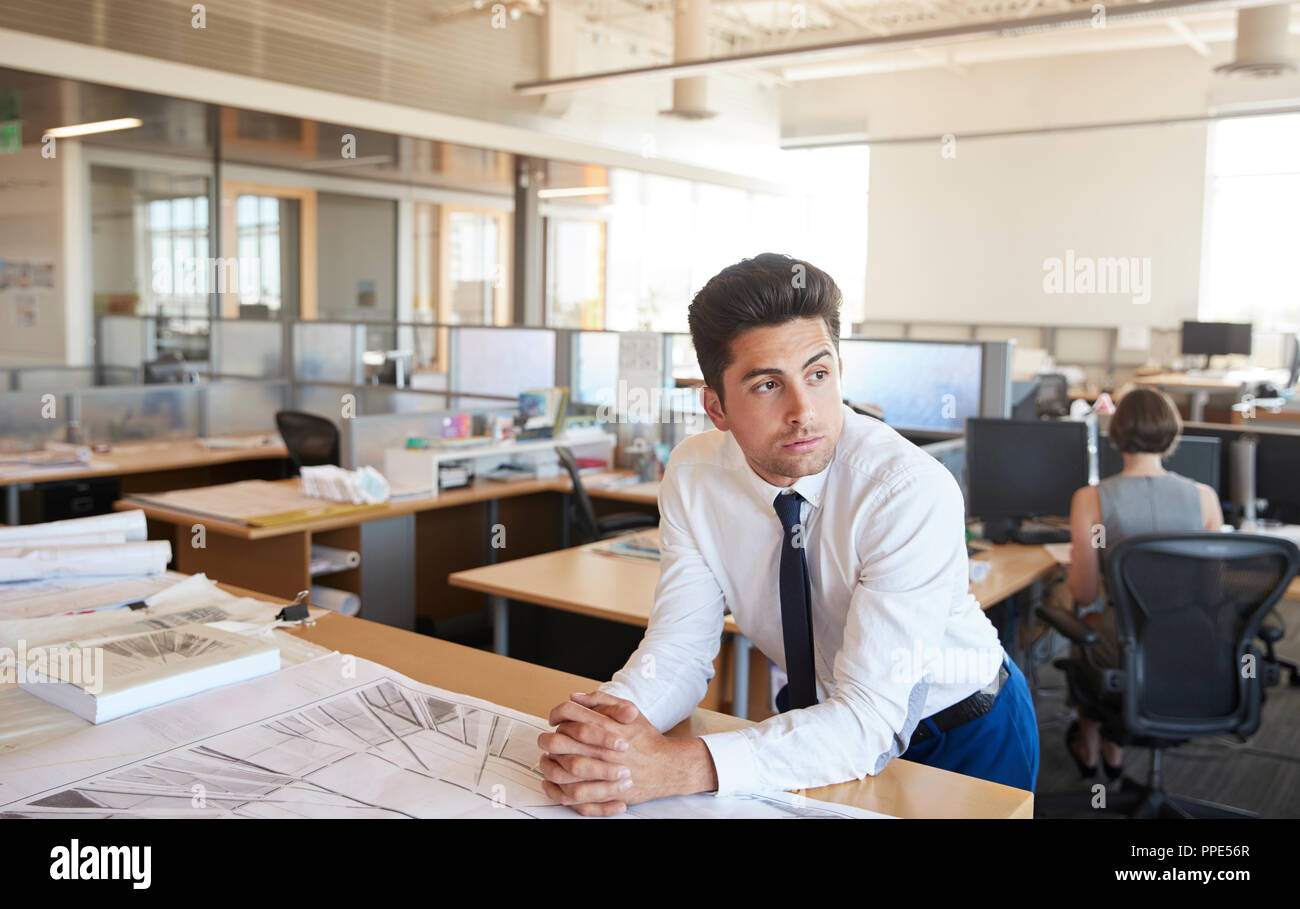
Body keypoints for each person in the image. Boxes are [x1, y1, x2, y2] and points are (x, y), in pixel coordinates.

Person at [536, 253, 1039, 816]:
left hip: (963, 733)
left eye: (818, 374)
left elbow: (869, 720)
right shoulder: (694, 474)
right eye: (768, 384)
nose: (804, 410)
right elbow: (679, 651)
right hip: (820, 728)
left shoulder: (905, 490)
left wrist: (676, 765)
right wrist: (607, 729)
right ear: (716, 407)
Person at [1064, 386, 1222, 779]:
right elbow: (1214, 593)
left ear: (1115, 435)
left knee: (1083, 623)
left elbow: (1084, 593)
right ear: (1172, 435)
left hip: (1124, 646)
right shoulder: (1205, 498)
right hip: (1195, 644)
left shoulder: (1091, 498)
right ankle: (1115, 747)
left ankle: (1091, 745)